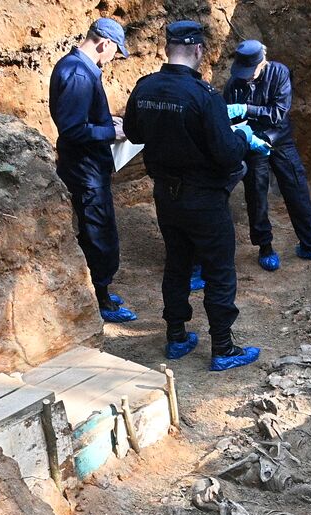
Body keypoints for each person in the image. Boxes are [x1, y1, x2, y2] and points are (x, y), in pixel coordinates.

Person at [126, 20, 267, 371]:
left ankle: (176, 336)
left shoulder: (145, 88)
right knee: (219, 270)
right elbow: (227, 154)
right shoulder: (204, 97)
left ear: (166, 49)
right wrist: (243, 138)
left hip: (165, 195)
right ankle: (222, 348)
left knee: (177, 264)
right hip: (204, 198)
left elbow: (131, 132)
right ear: (199, 50)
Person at [222, 40, 311, 271]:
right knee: (256, 195)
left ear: (262, 63)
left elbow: (278, 113)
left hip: (280, 139)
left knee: (296, 188)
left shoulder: (279, 73)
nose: (246, 77)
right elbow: (227, 122)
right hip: (253, 143)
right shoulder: (234, 84)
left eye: (250, 72)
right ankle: (265, 247)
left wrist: (246, 109)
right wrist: (242, 132)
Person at [49, 18, 136, 323]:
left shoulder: (75, 67)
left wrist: (105, 121)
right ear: (104, 44)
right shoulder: (78, 75)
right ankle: (100, 301)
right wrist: (111, 133)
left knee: (94, 231)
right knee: (99, 234)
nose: (114, 58)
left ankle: (100, 292)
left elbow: (78, 119)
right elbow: (72, 129)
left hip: (86, 165)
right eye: (115, 51)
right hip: (85, 171)